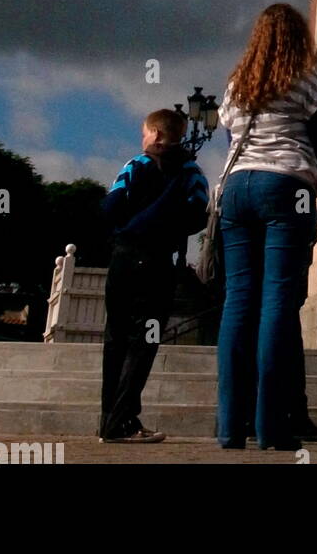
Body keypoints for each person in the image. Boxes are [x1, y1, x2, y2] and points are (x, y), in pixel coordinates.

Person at [215, 3, 317, 451]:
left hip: (235, 188)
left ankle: (230, 427)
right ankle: (272, 426)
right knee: (278, 303)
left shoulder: (235, 86)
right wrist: (301, 173)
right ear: (297, 39)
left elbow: (230, 141)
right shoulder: (306, 80)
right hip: (284, 185)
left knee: (238, 302)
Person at [100, 107, 209, 443]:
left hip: (124, 258)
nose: (143, 138)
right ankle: (124, 421)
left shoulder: (135, 164)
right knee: (144, 342)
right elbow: (198, 216)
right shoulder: (192, 172)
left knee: (115, 338)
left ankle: (108, 421)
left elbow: (111, 206)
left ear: (157, 135)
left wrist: (129, 226)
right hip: (158, 262)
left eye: (145, 132)